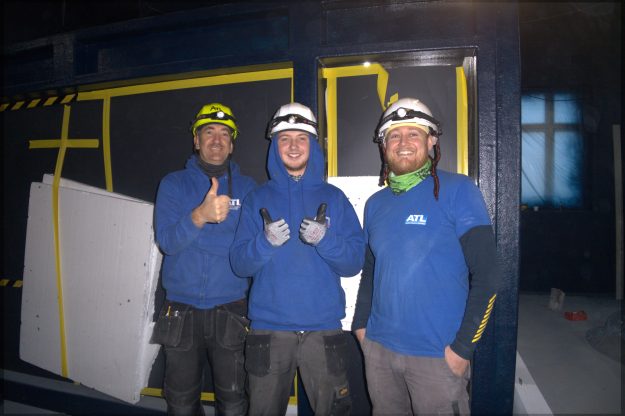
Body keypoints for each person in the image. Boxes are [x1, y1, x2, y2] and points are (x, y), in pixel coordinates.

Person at [352, 97, 500, 415]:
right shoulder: (375, 204)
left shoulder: (459, 190)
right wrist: (361, 328)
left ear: (431, 140)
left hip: (437, 358)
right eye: (394, 135)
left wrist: (462, 350)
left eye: (413, 134)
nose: (403, 143)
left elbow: (488, 276)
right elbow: (371, 271)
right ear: (383, 145)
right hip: (379, 352)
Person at [229, 102, 365, 416]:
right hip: (268, 330)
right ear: (274, 146)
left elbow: (353, 263)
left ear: (312, 144)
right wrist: (264, 243)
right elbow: (239, 264)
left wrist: (326, 240)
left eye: (301, 138)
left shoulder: (334, 198)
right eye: (285, 138)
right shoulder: (257, 198)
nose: (293, 146)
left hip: (323, 330)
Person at [153, 102, 256, 416]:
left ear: (232, 145)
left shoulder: (249, 189)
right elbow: (168, 243)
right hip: (180, 310)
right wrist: (199, 216)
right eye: (209, 132)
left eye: (225, 133)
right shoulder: (173, 184)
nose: (217, 139)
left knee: (234, 404)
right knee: (181, 404)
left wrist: (198, 236)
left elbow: (248, 251)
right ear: (196, 140)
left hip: (231, 309)